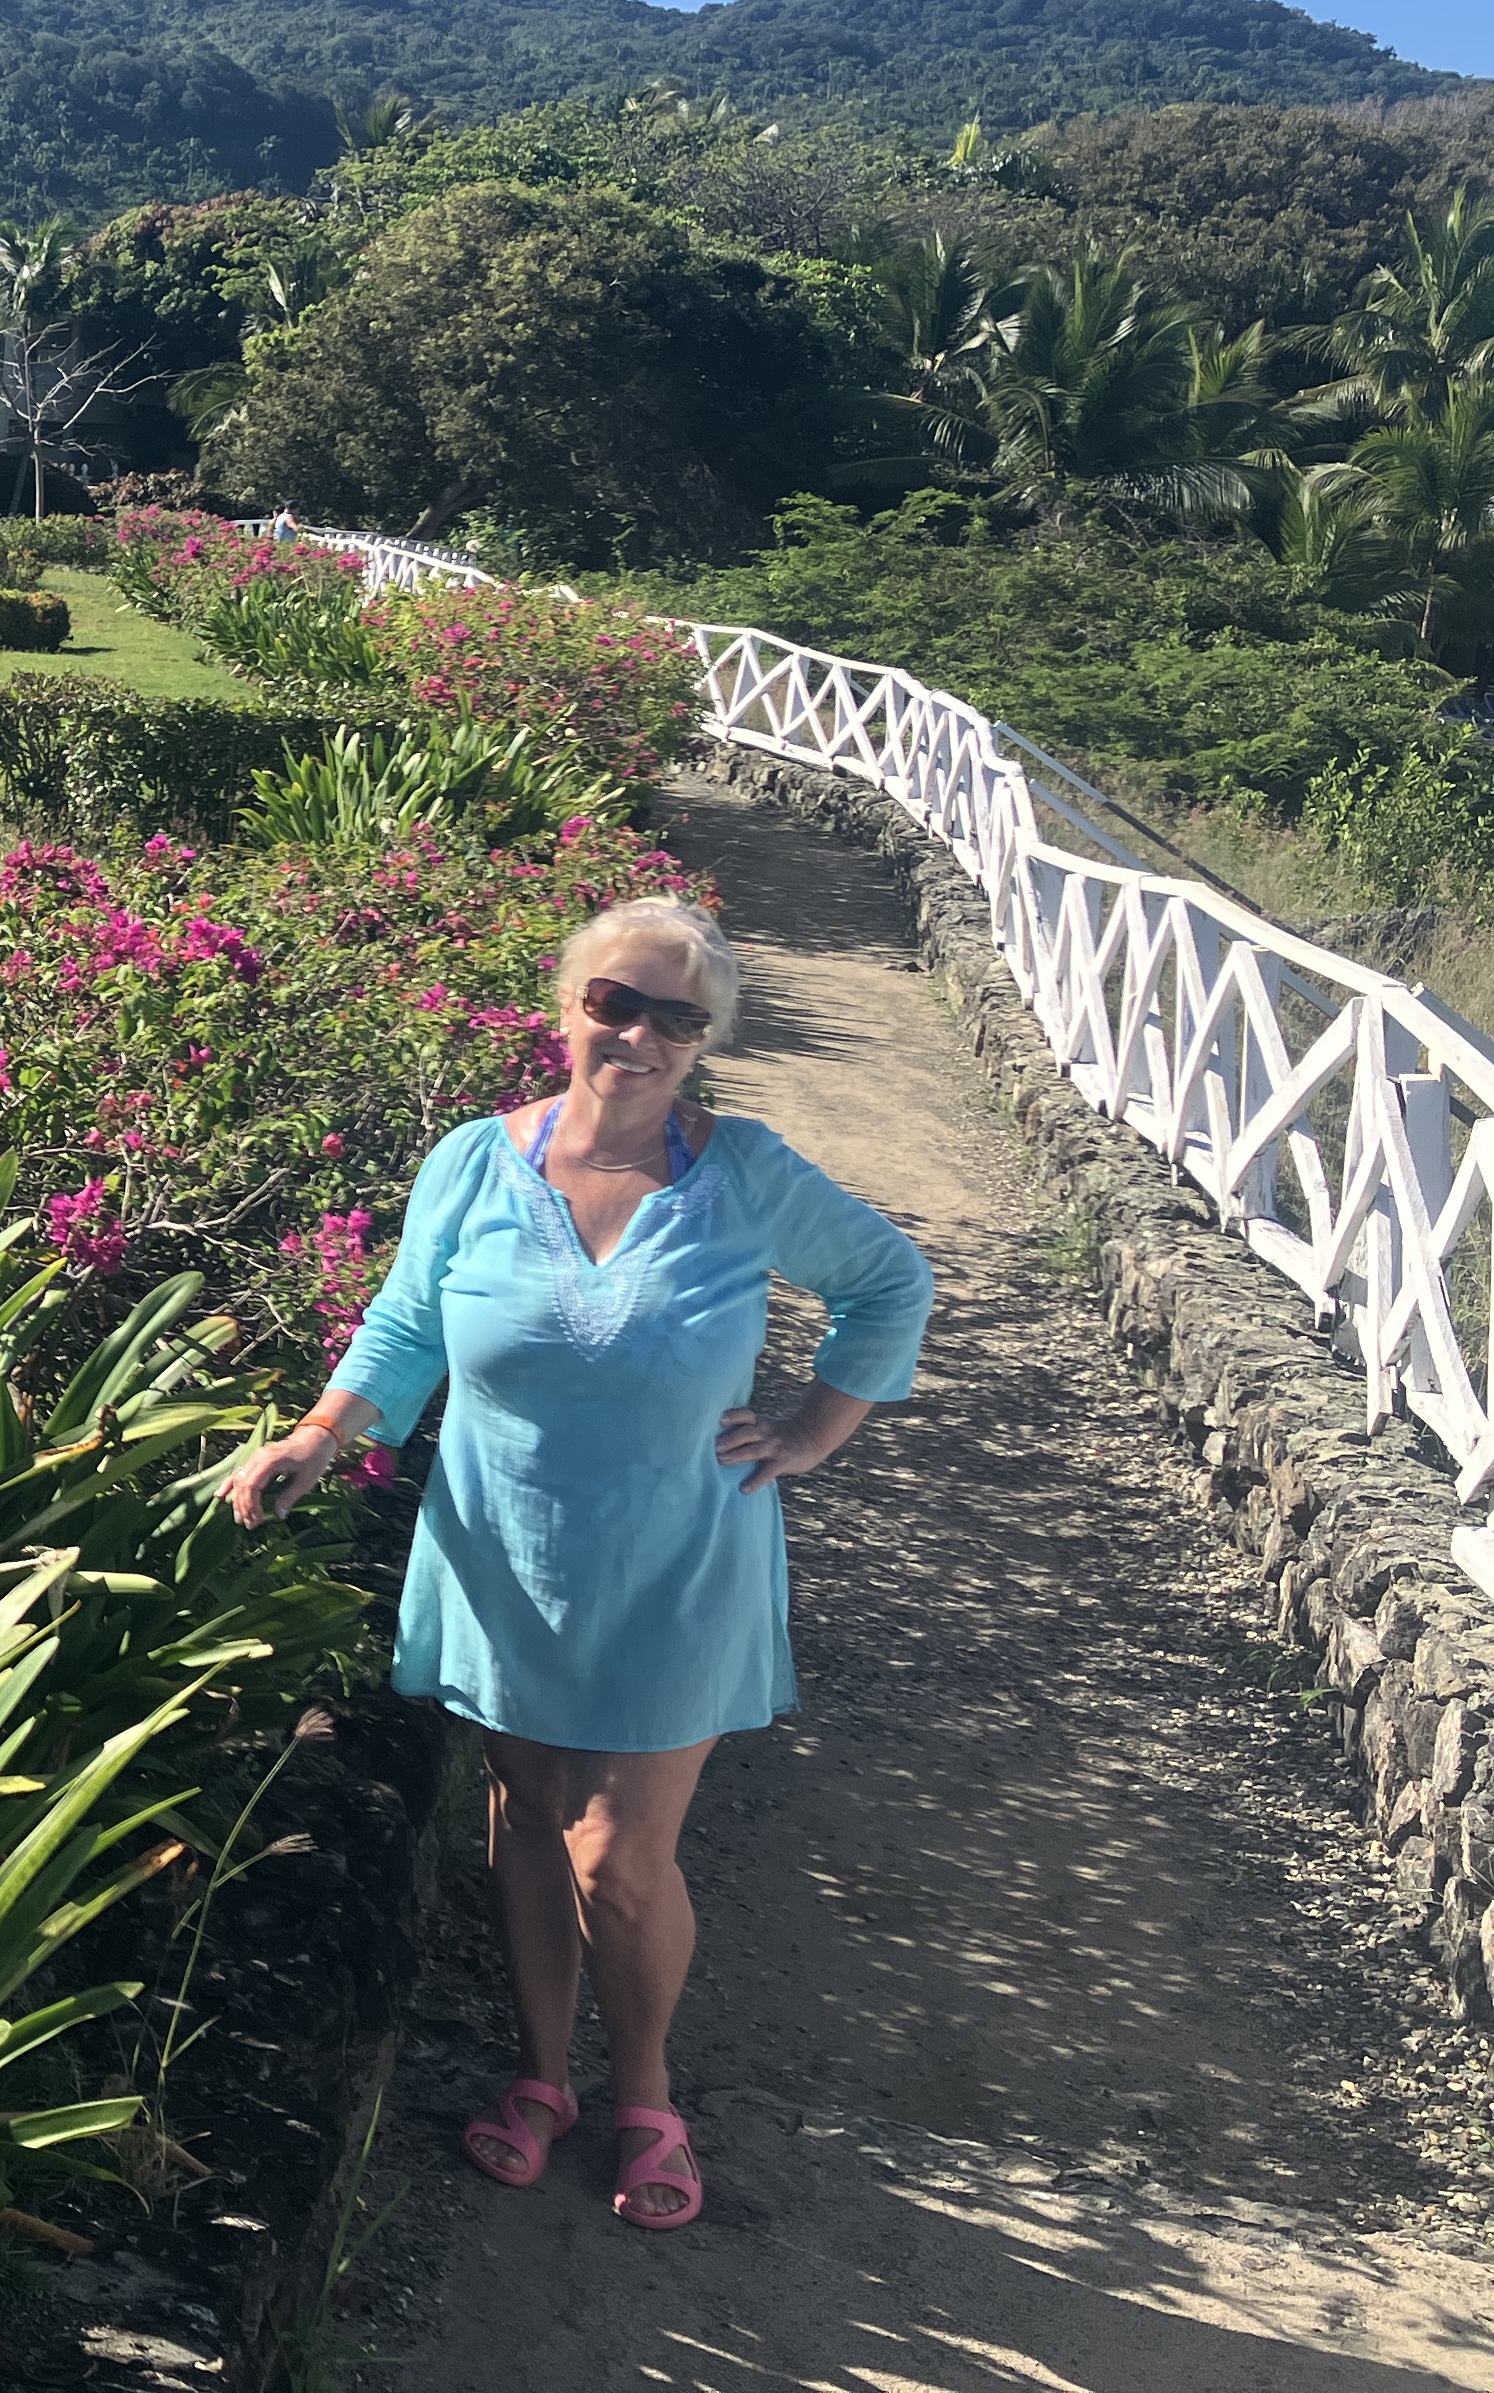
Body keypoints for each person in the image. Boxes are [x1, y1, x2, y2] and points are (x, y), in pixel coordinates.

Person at [220, 894, 932, 2230]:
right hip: (509, 1547)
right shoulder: (474, 1164)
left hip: (683, 1559)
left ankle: (645, 2093)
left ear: (703, 1040)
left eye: (678, 1017)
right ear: (566, 1009)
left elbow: (890, 1282)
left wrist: (813, 1430)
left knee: (620, 1855)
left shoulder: (745, 1172)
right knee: (531, 1818)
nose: (641, 1035)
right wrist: (318, 1436)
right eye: (616, 1002)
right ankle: (542, 2076)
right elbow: (409, 1321)